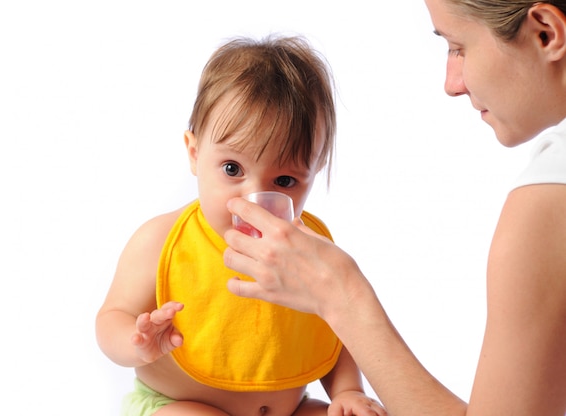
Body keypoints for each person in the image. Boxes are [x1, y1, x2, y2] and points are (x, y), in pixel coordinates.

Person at [223, 1, 566, 416]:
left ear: (546, 32)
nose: (451, 83)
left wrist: (343, 296)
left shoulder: (547, 205)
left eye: (458, 46)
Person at [96, 35, 386, 416]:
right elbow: (110, 318)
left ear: (314, 171)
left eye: (284, 181)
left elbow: (337, 329)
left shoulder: (307, 247)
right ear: (195, 153)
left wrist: (347, 391)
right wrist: (137, 343)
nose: (255, 198)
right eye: (232, 169)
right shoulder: (161, 241)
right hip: (183, 405)